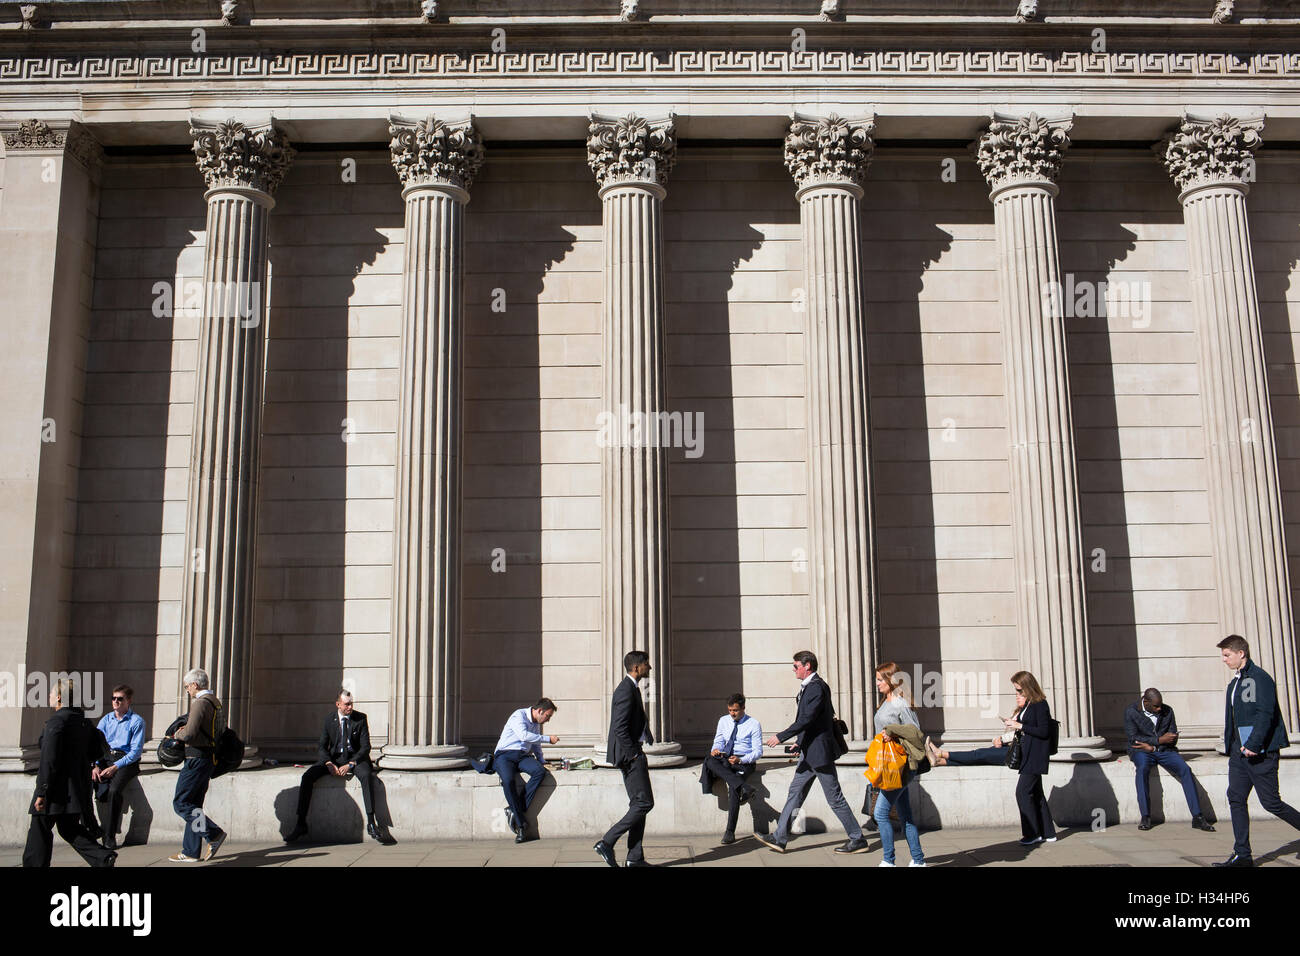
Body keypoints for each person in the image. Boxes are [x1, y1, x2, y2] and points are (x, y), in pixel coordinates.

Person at [754, 650, 869, 854]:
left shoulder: (816, 687)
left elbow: (807, 719)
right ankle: (780, 837)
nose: (794, 669)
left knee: (835, 799)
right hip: (809, 753)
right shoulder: (809, 687)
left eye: (796, 665)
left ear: (808, 666)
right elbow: (812, 722)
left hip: (819, 754)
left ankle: (857, 838)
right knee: (795, 793)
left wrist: (782, 736)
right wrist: (800, 742)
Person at [1215, 634, 1300, 867]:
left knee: (1271, 802)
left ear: (1240, 653)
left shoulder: (1259, 678)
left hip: (1259, 753)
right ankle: (1242, 855)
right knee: (1236, 797)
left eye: (1226, 655)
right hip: (1238, 753)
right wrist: (1232, 747)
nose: (1224, 660)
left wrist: (1254, 744)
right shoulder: (1236, 682)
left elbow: (1265, 713)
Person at [23, 677, 117, 868]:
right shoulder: (83, 722)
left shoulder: (57, 722)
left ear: (58, 698)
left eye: (50, 693)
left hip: (54, 789)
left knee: (39, 829)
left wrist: (42, 792)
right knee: (69, 828)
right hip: (75, 788)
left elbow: (48, 760)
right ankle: (102, 858)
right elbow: (95, 752)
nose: (48, 696)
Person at [286, 689, 392, 845]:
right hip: (334, 759)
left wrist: (350, 764)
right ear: (338, 704)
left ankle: (371, 822)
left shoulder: (360, 719)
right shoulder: (329, 720)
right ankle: (301, 823)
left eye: (351, 704)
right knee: (307, 777)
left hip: (354, 758)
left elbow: (365, 747)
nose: (350, 707)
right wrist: (328, 763)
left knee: (366, 776)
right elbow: (322, 746)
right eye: (346, 704)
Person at [594, 650, 656, 867]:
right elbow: (619, 728)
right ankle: (607, 841)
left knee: (639, 803)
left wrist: (645, 731)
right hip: (630, 756)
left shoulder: (632, 688)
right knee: (645, 803)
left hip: (631, 752)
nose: (650, 667)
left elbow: (632, 718)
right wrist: (634, 753)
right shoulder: (625, 690)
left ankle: (635, 857)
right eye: (646, 664)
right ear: (636, 668)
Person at [1124, 687, 1214, 832]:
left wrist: (1157, 744)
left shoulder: (1168, 711)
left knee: (1185, 769)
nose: (1159, 709)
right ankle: (1146, 816)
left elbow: (1172, 738)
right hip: (1141, 751)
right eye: (1155, 706)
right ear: (1145, 702)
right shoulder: (1131, 711)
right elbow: (1133, 738)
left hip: (1164, 750)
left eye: (1160, 705)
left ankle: (1198, 816)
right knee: (1142, 770)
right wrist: (1159, 739)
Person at [868, 662, 925, 867]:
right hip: (888, 765)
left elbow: (915, 732)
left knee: (880, 813)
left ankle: (888, 860)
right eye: (877, 679)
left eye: (880, 679)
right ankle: (918, 861)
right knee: (905, 816)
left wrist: (892, 732)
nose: (876, 683)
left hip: (900, 768)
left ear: (891, 680)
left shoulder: (900, 704)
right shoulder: (886, 701)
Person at [169, 668, 227, 863]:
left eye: (187, 687)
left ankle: (213, 833)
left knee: (181, 803)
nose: (187, 690)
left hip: (195, 759)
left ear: (195, 684)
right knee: (194, 806)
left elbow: (190, 734)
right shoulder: (215, 702)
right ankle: (191, 851)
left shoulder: (200, 703)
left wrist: (177, 734)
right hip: (208, 759)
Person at [699, 693, 762, 844]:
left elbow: (758, 752)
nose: (732, 713)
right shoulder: (723, 720)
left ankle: (730, 832)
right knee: (709, 760)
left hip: (744, 761)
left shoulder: (753, 724)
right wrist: (716, 749)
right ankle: (745, 787)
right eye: (730, 710)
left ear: (743, 708)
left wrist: (741, 759)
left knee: (734, 788)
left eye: (735, 710)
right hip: (726, 758)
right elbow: (719, 740)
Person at [493, 697, 559, 843]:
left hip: (522, 756)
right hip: (505, 755)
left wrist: (541, 760)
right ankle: (521, 826)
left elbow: (535, 743)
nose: (548, 720)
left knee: (540, 772)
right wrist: (548, 738)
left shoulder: (536, 723)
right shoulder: (519, 715)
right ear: (540, 711)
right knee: (508, 781)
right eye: (548, 716)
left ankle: (516, 809)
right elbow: (524, 735)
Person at [1005, 671, 1057, 847]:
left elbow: (1043, 731)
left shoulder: (1040, 704)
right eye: (1016, 690)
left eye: (1019, 689)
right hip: (1029, 754)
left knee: (1022, 792)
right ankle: (1048, 833)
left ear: (1028, 686)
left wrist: (1020, 725)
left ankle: (1032, 833)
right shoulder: (1029, 705)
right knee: (1037, 794)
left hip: (1036, 756)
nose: (1018, 693)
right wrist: (1015, 722)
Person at [93, 683, 146, 850]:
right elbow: (95, 746)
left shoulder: (136, 721)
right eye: (113, 698)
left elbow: (135, 752)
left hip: (126, 761)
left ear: (128, 701)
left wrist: (115, 767)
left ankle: (109, 837)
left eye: (120, 699)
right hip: (106, 757)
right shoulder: (106, 719)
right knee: (91, 784)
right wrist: (95, 765)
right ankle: (91, 829)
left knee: (114, 791)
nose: (115, 701)